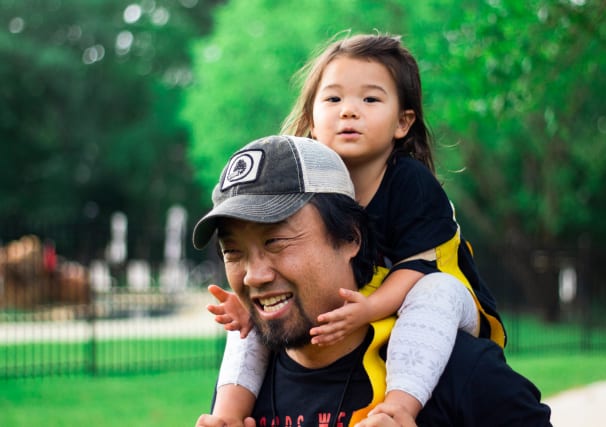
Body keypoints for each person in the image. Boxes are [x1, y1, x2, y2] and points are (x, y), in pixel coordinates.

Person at [207, 33, 507, 423]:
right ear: (312, 121)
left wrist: (369, 309)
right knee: (256, 326)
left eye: (370, 99)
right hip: (369, 293)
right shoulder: (310, 189)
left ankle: (399, 408)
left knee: (437, 291)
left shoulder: (410, 182)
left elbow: (418, 269)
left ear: (403, 122)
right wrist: (248, 305)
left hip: (437, 293)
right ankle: (228, 416)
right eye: (333, 99)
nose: (349, 111)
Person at [192, 135, 551, 427]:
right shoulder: (241, 394)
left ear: (350, 237)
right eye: (233, 253)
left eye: (276, 242)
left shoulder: (457, 369)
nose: (255, 275)